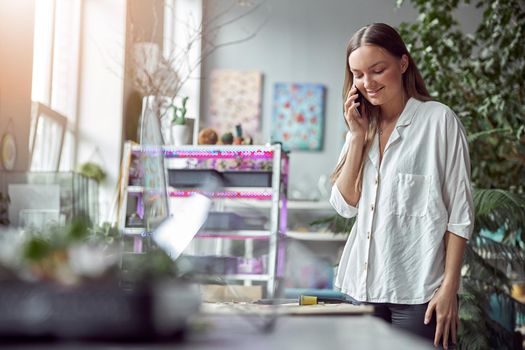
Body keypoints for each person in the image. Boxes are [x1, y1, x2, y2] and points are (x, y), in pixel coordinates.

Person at [330, 23, 474, 349]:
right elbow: (344, 204)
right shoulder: (361, 126)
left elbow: (460, 213)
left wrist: (450, 286)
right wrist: (355, 137)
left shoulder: (439, 121)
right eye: (358, 74)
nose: (368, 83)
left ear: (403, 63)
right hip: (361, 290)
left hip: (420, 292)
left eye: (378, 70)